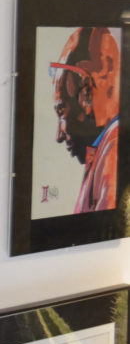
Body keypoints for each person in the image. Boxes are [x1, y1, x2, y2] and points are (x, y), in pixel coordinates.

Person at [50, 27, 120, 213]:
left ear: (86, 94)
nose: (59, 136)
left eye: (61, 110)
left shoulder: (112, 153)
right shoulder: (104, 151)